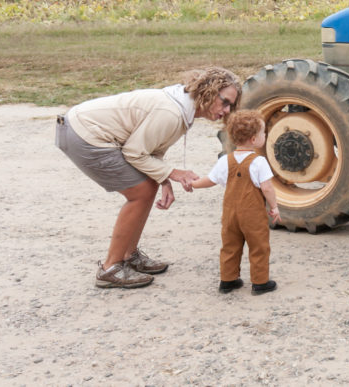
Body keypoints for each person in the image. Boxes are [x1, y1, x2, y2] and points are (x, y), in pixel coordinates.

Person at [55, 66, 241, 289]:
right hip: (84, 134)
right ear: (209, 92)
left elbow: (150, 150)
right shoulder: (172, 113)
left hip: (80, 128)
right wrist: (172, 174)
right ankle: (111, 268)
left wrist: (163, 180)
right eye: (225, 102)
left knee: (147, 187)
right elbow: (134, 152)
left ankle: (128, 255)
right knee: (141, 192)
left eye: (231, 105)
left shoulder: (182, 107)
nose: (227, 110)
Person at [190, 109, 281, 295]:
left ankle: (228, 280)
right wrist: (274, 207)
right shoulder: (259, 162)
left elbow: (210, 180)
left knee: (230, 245)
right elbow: (267, 188)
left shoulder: (225, 160)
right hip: (252, 214)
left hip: (230, 213)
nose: (265, 135)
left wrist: (194, 184)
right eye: (263, 133)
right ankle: (260, 282)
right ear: (254, 140)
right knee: (258, 246)